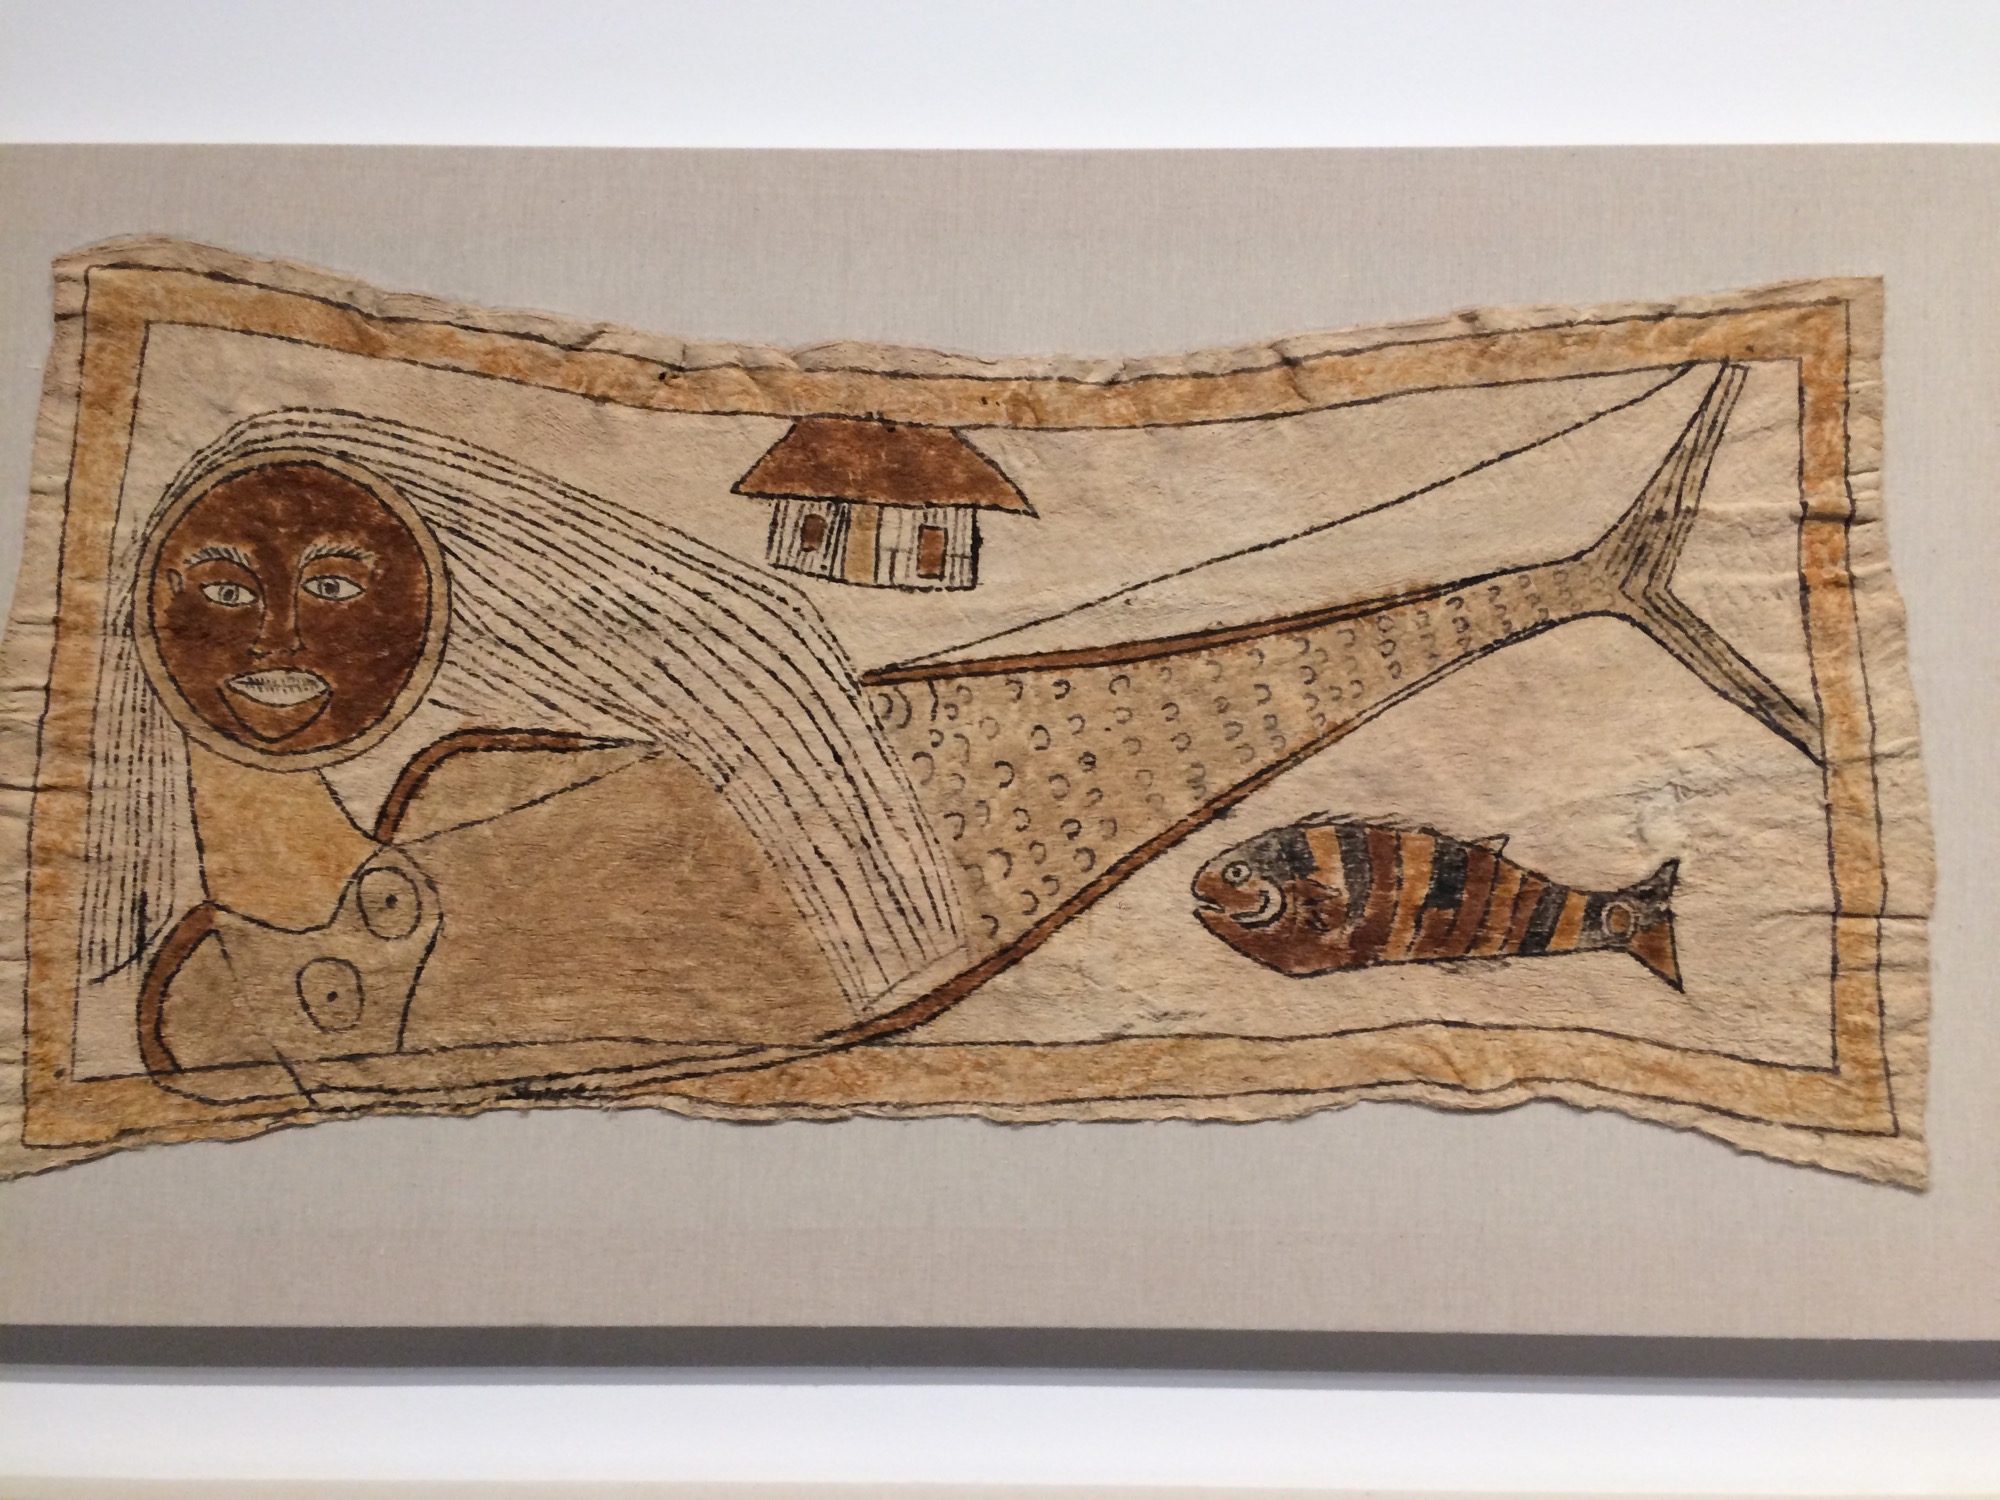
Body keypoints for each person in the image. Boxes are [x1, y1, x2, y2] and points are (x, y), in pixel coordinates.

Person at [86, 411, 963, 1104]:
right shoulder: (184, 993)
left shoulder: (523, 800)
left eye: (334, 587)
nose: (276, 638)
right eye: (225, 592)